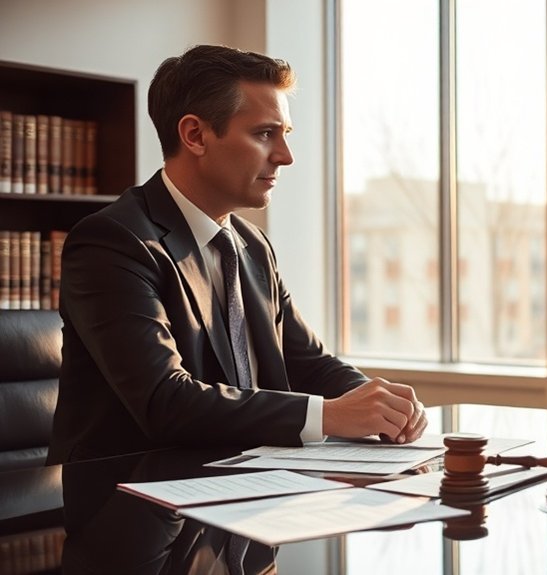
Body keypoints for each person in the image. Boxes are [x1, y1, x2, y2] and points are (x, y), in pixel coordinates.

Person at [48, 45, 426, 464]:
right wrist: (333, 415)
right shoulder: (112, 242)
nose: (285, 155)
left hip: (242, 488)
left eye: (285, 134)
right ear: (195, 135)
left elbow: (308, 363)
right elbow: (166, 399)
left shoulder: (252, 244)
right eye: (265, 134)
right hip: (130, 500)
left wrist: (378, 403)